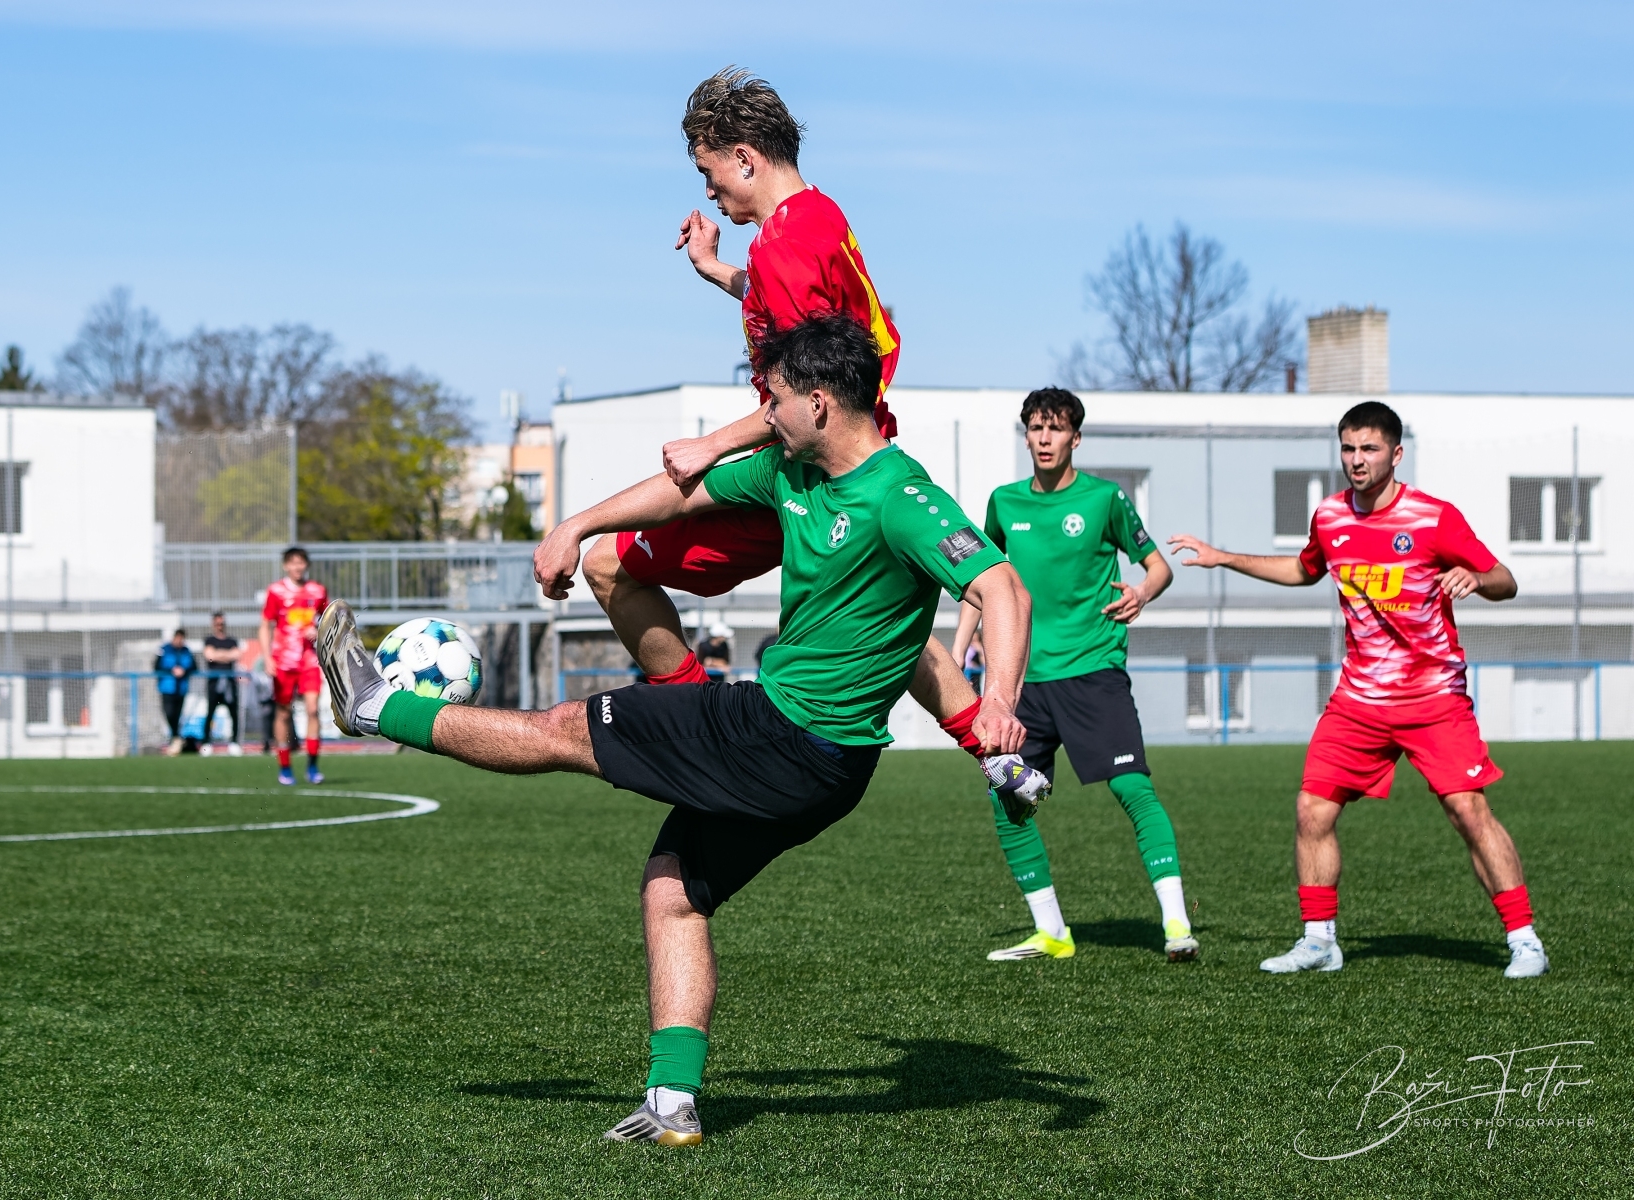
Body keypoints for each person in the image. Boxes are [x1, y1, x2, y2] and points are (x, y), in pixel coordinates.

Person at [318, 315, 1035, 1145]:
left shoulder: (903, 498)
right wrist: (576, 525)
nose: (763, 416)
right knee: (674, 891)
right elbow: (685, 493)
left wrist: (1000, 699)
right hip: (824, 769)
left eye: (772, 403)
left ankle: (375, 708)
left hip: (778, 735)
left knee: (564, 729)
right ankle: (673, 1103)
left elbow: (1002, 586)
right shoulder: (791, 470)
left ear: (818, 403)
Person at [533, 67, 1022, 780]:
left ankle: (697, 724)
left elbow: (804, 393)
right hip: (861, 457)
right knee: (876, 608)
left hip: (806, 463)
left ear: (744, 157)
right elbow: (814, 320)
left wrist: (713, 444)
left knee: (610, 564)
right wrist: (716, 270)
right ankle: (996, 751)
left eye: (708, 171)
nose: (708, 191)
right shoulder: (816, 219)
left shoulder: (786, 247)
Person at [1168, 400, 1547, 979]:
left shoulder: (1434, 517)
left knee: (1468, 809)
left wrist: (1475, 576)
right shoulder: (1330, 516)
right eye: (1348, 448)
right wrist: (1224, 558)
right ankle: (1319, 941)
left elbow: (1506, 581)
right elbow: (1304, 569)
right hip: (1359, 700)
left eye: (1369, 449)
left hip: (1433, 698)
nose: (1356, 460)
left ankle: (1525, 942)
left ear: (1396, 454)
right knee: (1312, 810)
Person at [954, 388, 1198, 963]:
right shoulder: (1004, 502)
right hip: (1024, 683)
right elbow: (981, 580)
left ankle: (1176, 924)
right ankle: (1052, 933)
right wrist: (958, 645)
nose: (1044, 439)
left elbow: (1157, 565)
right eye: (1035, 429)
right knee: (1008, 796)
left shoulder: (1105, 499)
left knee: (1132, 788)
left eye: (1055, 429)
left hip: (1093, 673)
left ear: (1075, 438)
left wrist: (1142, 591)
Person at [257, 547, 328, 786]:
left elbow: (328, 622)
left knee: (312, 710)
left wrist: (317, 631)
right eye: (293, 563)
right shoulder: (276, 591)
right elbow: (265, 625)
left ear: (306, 565)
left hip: (309, 661)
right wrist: (267, 657)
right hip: (284, 662)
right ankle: (285, 766)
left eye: (301, 563)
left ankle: (312, 766)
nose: (297, 567)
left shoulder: (317, 591)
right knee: (283, 712)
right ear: (286, 566)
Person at [201, 611, 244, 755]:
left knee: (233, 713)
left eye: (222, 623)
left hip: (230, 684)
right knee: (210, 712)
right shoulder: (209, 640)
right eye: (217, 623)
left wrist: (218, 654)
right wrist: (226, 655)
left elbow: (237, 654)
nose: (220, 626)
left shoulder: (232, 641)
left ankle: (234, 743)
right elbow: (210, 656)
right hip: (214, 683)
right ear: (213, 624)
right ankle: (206, 743)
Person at [154, 629, 196, 755]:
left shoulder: (186, 651)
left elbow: (193, 666)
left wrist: (184, 670)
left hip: (181, 688)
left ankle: (175, 740)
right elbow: (156, 666)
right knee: (169, 713)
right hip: (167, 687)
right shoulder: (164, 649)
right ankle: (177, 737)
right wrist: (172, 670)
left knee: (177, 715)